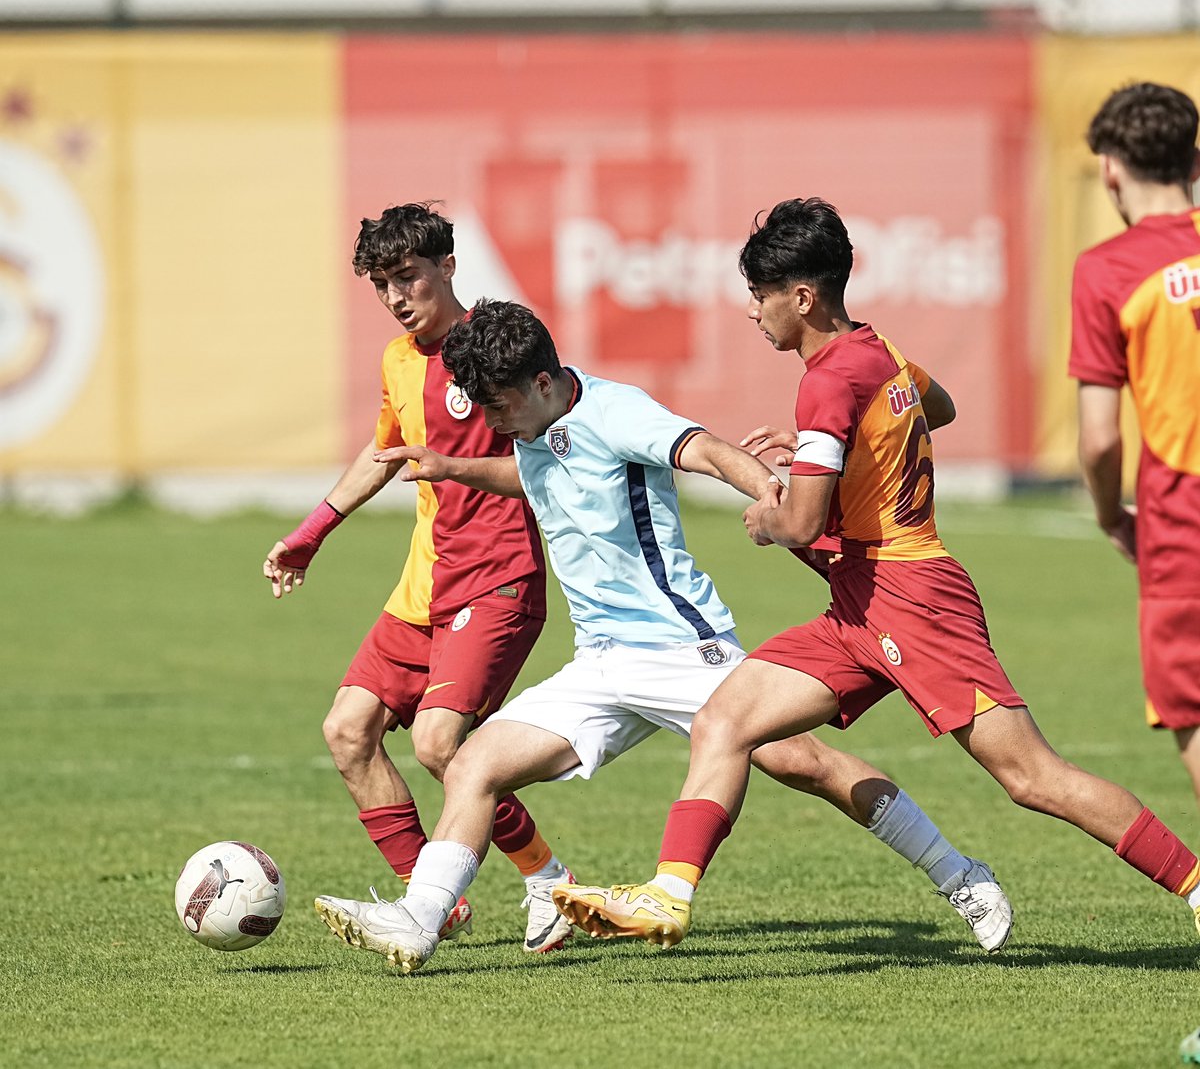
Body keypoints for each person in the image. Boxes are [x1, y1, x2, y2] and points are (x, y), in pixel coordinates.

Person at [553, 197, 1200, 950]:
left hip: (914, 598)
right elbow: (940, 406)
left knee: (1032, 778)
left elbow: (796, 522)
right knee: (724, 722)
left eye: (761, 296)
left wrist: (768, 517)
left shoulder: (827, 379)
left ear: (802, 296)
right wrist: (840, 442)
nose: (754, 313)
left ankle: (1195, 884)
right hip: (860, 604)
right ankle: (668, 895)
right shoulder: (876, 351)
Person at [311, 297, 1012, 974]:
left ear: (545, 382)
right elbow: (539, 472)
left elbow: (705, 450)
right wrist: (455, 467)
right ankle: (419, 920)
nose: (493, 422)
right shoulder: (532, 428)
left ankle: (961, 875)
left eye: (499, 406)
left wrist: (772, 491)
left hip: (679, 649)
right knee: (471, 766)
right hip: (600, 665)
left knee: (805, 765)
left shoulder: (618, 412)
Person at [262, 203, 574, 954]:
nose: (398, 297)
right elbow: (384, 452)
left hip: (498, 579)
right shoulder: (400, 361)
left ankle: (549, 883)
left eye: (409, 277)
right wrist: (311, 534)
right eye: (382, 285)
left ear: (449, 268)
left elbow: (556, 458)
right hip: (424, 587)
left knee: (439, 744)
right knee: (348, 731)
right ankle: (428, 899)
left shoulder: (495, 350)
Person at [1069, 83, 1200, 808]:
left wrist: (1108, 513)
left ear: (1111, 170)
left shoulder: (1108, 269)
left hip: (1184, 514)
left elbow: (1097, 437)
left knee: (1193, 706)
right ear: (1196, 161)